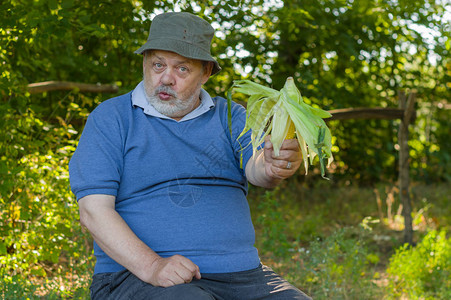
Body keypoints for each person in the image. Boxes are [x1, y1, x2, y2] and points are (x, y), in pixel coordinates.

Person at [69, 11, 311, 300]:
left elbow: (258, 169)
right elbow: (93, 212)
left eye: (182, 69)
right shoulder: (112, 118)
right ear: (145, 63)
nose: (166, 79)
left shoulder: (232, 117)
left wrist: (273, 164)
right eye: (158, 64)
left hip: (243, 277)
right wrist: (153, 266)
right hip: (137, 277)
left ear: (206, 72)